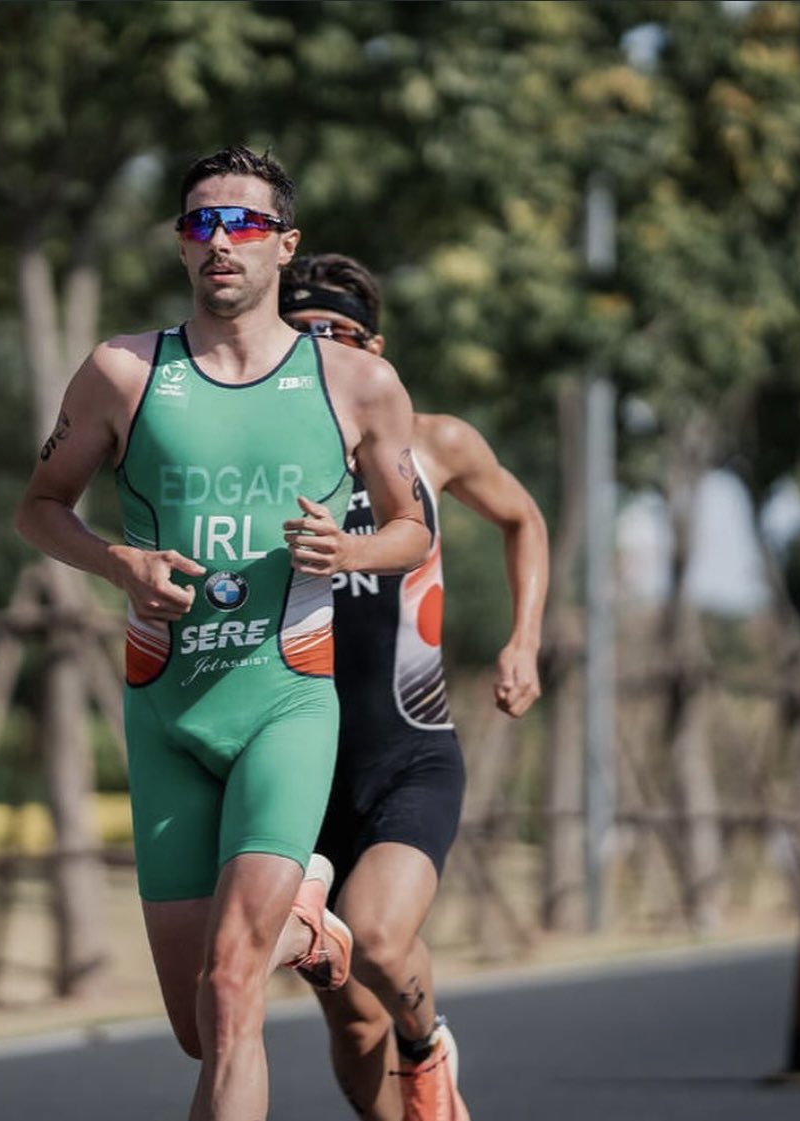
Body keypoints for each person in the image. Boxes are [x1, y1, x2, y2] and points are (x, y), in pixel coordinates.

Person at [14, 148, 430, 1121]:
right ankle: (315, 933)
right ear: (178, 244)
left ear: (284, 244)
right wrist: (119, 562)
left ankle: (293, 919)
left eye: (241, 224)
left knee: (237, 983)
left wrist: (346, 549)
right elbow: (38, 508)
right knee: (201, 1023)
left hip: (286, 698)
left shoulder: (355, 382)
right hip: (165, 710)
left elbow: (411, 529)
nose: (219, 243)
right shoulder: (123, 372)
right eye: (200, 224)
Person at [280, 253, 549, 1121]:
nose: (321, 348)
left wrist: (523, 640)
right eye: (302, 333)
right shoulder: (255, 459)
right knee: (352, 1027)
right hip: (296, 769)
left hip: (408, 753)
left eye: (339, 334)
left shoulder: (436, 444)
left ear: (376, 349)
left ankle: (429, 1045)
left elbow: (523, 518)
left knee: (382, 939)